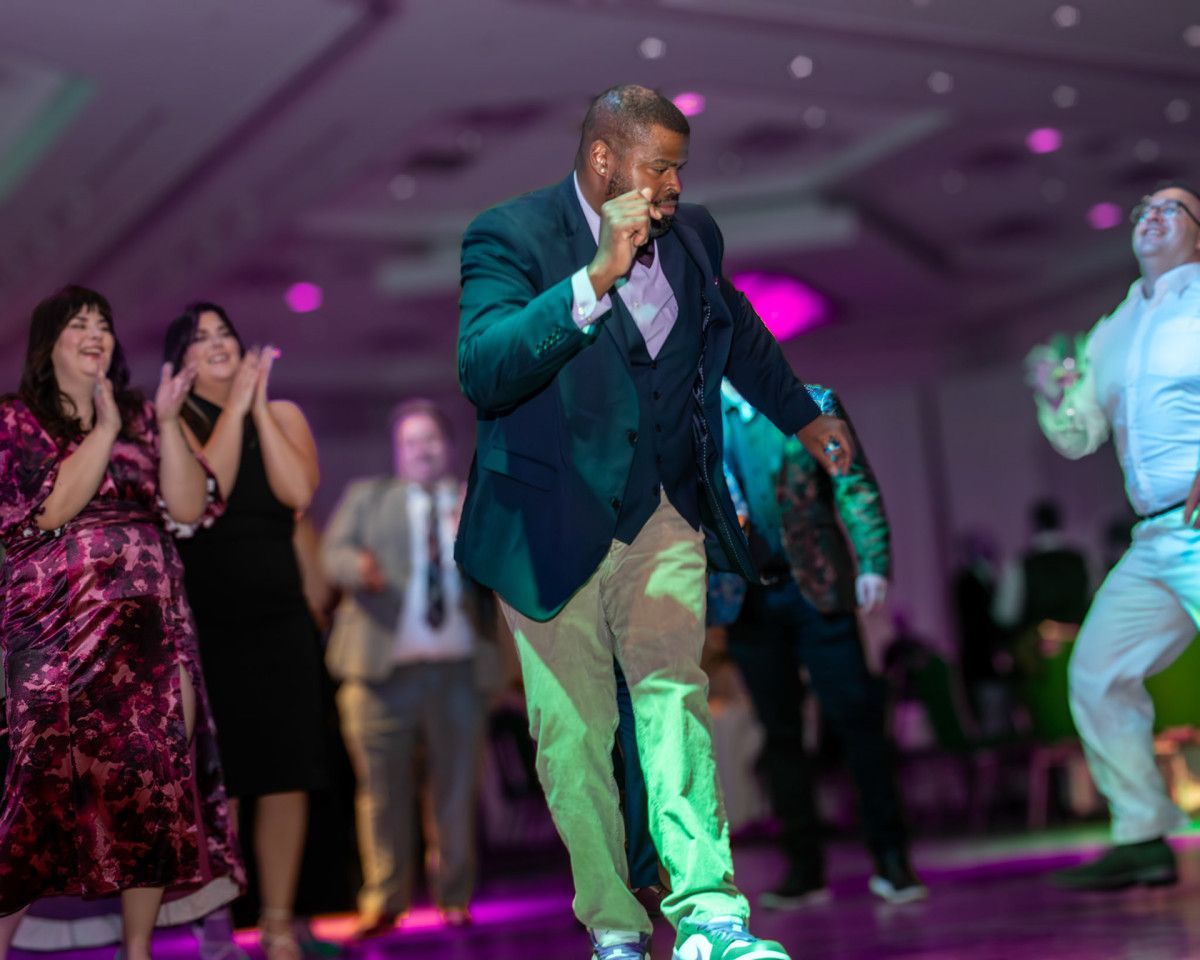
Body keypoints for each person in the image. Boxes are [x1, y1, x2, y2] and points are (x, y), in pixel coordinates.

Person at [455, 83, 852, 960]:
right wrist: (593, 278)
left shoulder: (695, 234)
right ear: (605, 161)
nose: (674, 186)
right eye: (659, 166)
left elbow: (736, 328)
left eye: (680, 168)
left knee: (674, 699)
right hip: (545, 525)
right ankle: (612, 923)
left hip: (663, 511)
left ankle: (711, 912)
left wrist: (800, 415)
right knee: (573, 735)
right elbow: (483, 368)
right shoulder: (508, 236)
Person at [0, 286, 242, 960]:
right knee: (37, 802)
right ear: (48, 344)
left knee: (153, 789)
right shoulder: (15, 422)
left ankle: (137, 952)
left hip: (152, 637)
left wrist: (163, 426)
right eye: (79, 323)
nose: (96, 333)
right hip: (56, 638)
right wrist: (101, 430)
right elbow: (49, 513)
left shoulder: (140, 413)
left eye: (103, 324)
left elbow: (188, 512)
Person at [1028, 180, 1200, 890]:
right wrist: (1051, 396)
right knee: (1097, 673)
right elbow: (1079, 437)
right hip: (1156, 538)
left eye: (1171, 209)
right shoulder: (1116, 326)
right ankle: (1143, 833)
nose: (1150, 218)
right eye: (1142, 212)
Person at [162, 303, 327, 960]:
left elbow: (297, 495)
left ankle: (281, 921)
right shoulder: (174, 424)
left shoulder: (281, 415)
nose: (218, 344)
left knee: (287, 774)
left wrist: (259, 406)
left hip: (281, 617)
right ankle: (221, 920)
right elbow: (208, 493)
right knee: (221, 780)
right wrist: (235, 406)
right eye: (200, 340)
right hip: (208, 621)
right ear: (182, 362)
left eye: (224, 332)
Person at [719, 381, 924, 908]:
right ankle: (804, 870)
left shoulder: (810, 402)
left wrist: (873, 558)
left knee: (856, 718)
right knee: (780, 735)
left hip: (818, 587)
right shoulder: (689, 417)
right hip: (746, 598)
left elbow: (851, 480)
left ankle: (892, 860)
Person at [321, 400, 489, 937]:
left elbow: (507, 572)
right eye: (412, 442)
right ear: (398, 452)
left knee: (456, 790)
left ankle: (455, 898)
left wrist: (477, 533)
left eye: (431, 439)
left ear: (449, 445)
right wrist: (357, 567)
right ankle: (385, 898)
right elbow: (333, 553)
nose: (423, 449)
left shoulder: (474, 501)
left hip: (458, 672)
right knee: (380, 791)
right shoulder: (369, 500)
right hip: (379, 675)